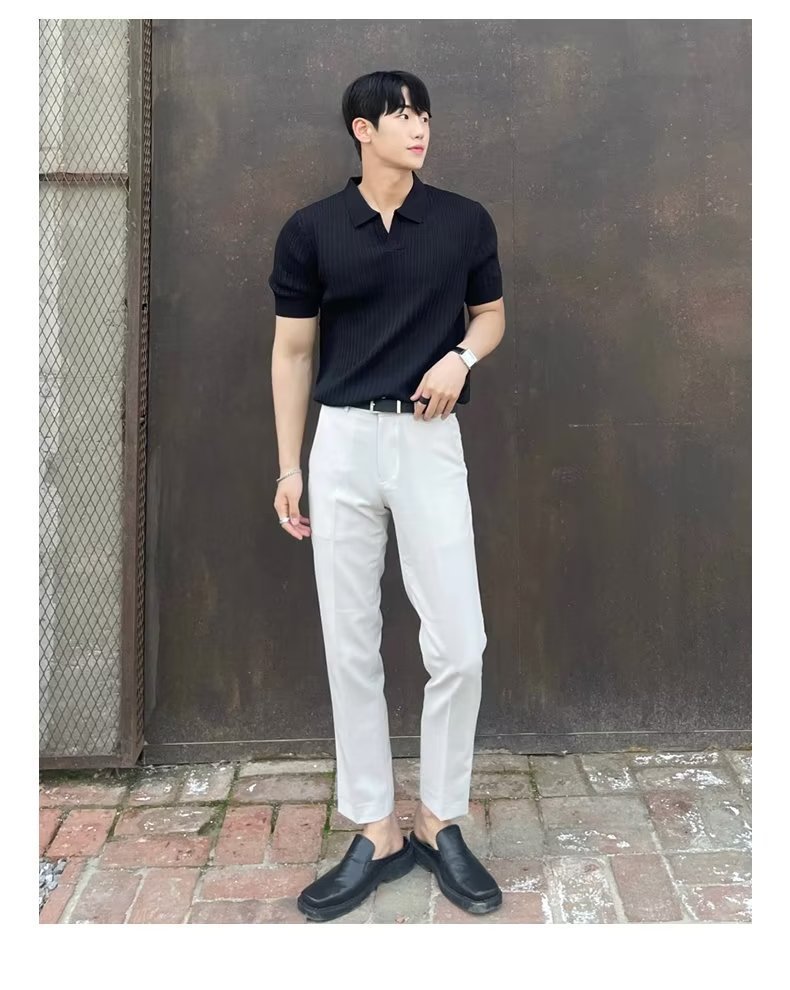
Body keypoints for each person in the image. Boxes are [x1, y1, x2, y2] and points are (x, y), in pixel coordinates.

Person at [268, 69, 506, 922]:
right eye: (402, 114)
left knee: (461, 644)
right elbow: (293, 352)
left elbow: (490, 315)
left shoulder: (464, 221)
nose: (419, 127)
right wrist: (290, 465)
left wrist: (461, 359)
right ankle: (375, 828)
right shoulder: (312, 231)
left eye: (425, 113)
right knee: (350, 642)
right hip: (341, 442)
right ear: (362, 129)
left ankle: (440, 819)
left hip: (428, 440)